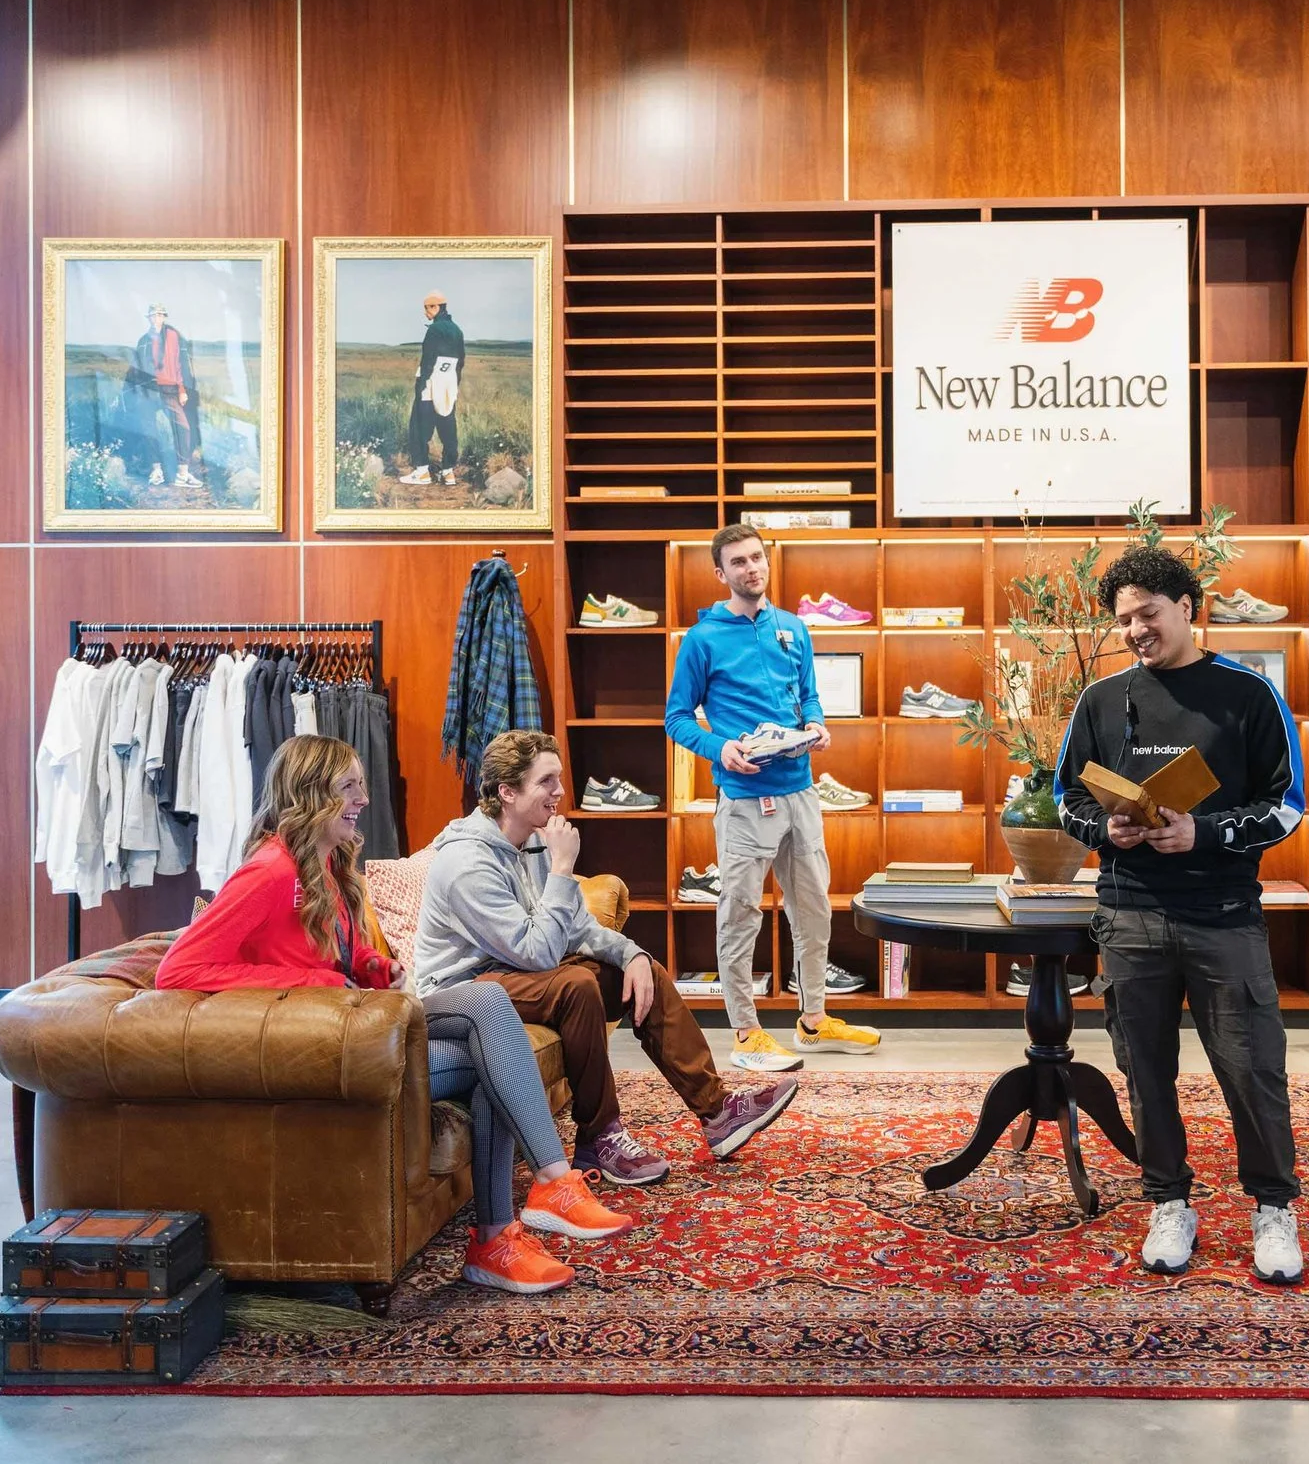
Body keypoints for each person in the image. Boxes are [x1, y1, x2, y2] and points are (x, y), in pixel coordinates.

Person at [156, 735, 627, 1296]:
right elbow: (178, 969)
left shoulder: (323, 864)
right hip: (327, 1045)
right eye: (349, 786)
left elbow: (331, 950)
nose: (363, 798)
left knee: (492, 1042)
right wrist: (315, 983)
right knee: (486, 1002)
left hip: (361, 1026)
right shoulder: (270, 871)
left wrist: (375, 966)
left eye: (361, 784)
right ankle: (549, 1187)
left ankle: (497, 1241)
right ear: (312, 795)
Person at [1055, 545, 1308, 1285]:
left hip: (1224, 912)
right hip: (1129, 911)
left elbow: (1288, 805)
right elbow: (1067, 796)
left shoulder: (1248, 694)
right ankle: (1169, 1200)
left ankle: (1273, 1207)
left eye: (1148, 614)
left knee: (1253, 1067)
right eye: (1124, 619)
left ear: (1187, 608)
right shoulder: (1100, 699)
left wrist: (1209, 830)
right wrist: (1110, 830)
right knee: (1145, 1070)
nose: (1136, 629)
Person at [417, 729, 800, 1189]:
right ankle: (599, 1137)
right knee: (574, 987)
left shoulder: (533, 842)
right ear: (507, 792)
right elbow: (535, 952)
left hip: (516, 975)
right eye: (546, 781)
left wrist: (633, 954)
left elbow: (576, 927)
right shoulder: (465, 863)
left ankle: (718, 1113)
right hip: (463, 993)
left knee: (642, 972)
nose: (560, 792)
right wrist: (562, 868)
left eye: (559, 779)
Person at [663, 524, 880, 1070]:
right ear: (721, 574)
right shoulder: (703, 639)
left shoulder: (793, 628)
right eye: (738, 562)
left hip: (800, 792)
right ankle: (744, 1032)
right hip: (742, 799)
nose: (751, 568)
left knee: (814, 911)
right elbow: (675, 719)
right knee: (740, 915)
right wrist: (720, 748)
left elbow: (807, 694)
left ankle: (812, 1019)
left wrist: (816, 724)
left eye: (757, 558)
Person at [125, 303, 203, 489]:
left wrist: (183, 390)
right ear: (149, 318)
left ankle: (182, 473)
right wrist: (136, 392)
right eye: (153, 315)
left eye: (159, 315)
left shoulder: (175, 337)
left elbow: (181, 364)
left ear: (164, 317)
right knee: (149, 428)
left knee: (183, 427)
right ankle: (156, 470)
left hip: (170, 389)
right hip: (148, 391)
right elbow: (137, 368)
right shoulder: (143, 340)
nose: (156, 318)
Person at [400, 290, 462, 486]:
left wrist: (421, 384)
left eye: (427, 308)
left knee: (419, 425)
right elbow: (461, 362)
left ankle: (422, 472)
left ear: (436, 307)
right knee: (447, 425)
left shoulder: (434, 330)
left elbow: (428, 360)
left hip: (431, 382)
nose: (425, 313)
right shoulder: (457, 330)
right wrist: (454, 385)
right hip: (449, 383)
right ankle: (448, 472)